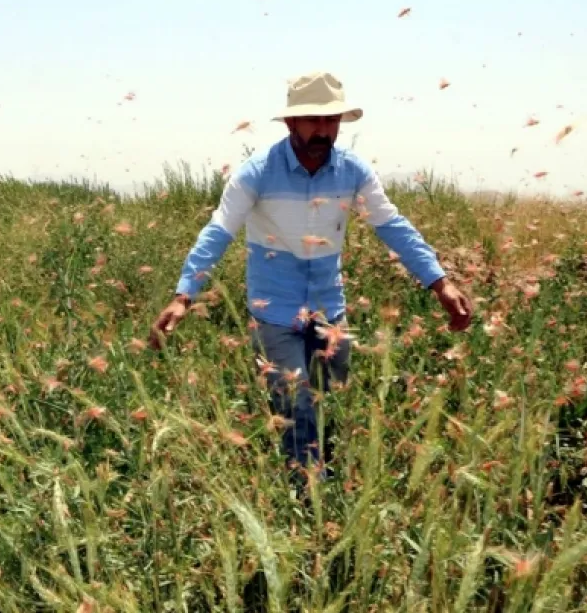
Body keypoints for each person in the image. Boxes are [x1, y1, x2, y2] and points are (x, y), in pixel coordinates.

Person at [148, 71, 473, 492]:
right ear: (290, 123)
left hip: (328, 309)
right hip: (274, 310)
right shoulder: (257, 173)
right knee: (297, 401)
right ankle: (308, 498)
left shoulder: (352, 172)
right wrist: (183, 295)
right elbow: (219, 231)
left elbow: (393, 226)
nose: (323, 130)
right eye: (313, 120)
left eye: (331, 121)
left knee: (329, 399)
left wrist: (439, 282)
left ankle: (317, 479)